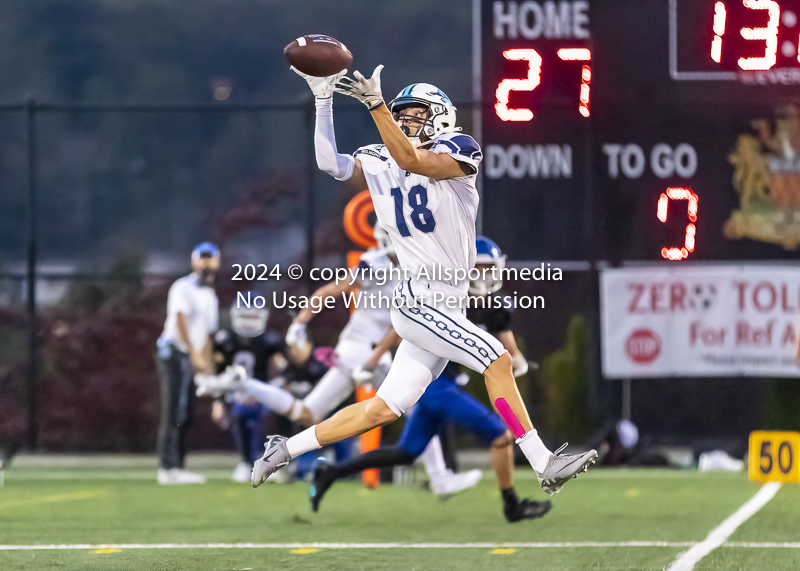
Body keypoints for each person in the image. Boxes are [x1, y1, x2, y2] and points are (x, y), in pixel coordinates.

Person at [252, 67, 597, 494]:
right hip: (420, 301)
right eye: (403, 115)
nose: (407, 121)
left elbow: (414, 161)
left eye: (416, 114)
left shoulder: (459, 148)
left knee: (381, 409)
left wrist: (376, 107)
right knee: (496, 357)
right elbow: (330, 162)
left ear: (442, 117)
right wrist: (325, 101)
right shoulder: (382, 155)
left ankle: (285, 448)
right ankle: (544, 462)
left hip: (444, 302)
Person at [198, 226, 483, 494]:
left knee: (306, 412)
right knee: (417, 404)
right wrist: (300, 321)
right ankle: (440, 478)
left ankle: (247, 385)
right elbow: (334, 291)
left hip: (358, 351)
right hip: (363, 351)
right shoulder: (377, 265)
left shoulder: (413, 269)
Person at [155, 242, 220, 485]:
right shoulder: (182, 287)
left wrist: (207, 365)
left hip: (190, 357)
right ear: (194, 262)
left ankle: (178, 465)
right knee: (172, 410)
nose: (206, 263)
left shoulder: (210, 295)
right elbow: (181, 320)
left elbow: (207, 333)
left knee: (186, 412)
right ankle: (167, 467)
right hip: (173, 353)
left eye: (210, 259)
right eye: (201, 259)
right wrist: (194, 354)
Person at [206, 297, 283, 482]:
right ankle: (245, 462)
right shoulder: (225, 339)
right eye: (245, 315)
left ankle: (272, 461)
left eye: (252, 316)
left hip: (263, 394)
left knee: (270, 419)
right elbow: (219, 371)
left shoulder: (269, 341)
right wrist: (218, 400)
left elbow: (278, 370)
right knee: (240, 419)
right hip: (235, 395)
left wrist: (271, 390)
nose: (249, 321)